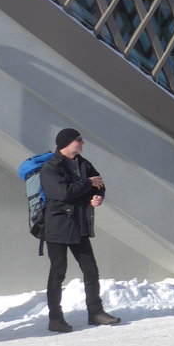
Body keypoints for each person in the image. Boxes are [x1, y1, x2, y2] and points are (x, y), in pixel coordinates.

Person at [39, 128, 121, 332]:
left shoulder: (83, 163)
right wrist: (87, 184)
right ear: (67, 142)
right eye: (78, 140)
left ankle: (95, 313)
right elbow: (62, 193)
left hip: (79, 225)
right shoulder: (50, 168)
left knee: (91, 270)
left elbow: (98, 183)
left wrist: (97, 196)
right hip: (57, 227)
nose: (82, 143)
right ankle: (55, 319)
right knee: (58, 273)